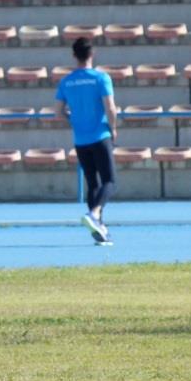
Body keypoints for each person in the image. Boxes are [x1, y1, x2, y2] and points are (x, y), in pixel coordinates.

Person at [55, 37, 118, 244]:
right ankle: (95, 214)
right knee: (110, 181)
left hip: (81, 139)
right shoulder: (101, 78)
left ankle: (98, 229)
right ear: (92, 54)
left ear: (74, 55)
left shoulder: (66, 81)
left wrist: (74, 119)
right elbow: (110, 107)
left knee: (92, 183)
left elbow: (58, 112)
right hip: (100, 135)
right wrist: (113, 128)